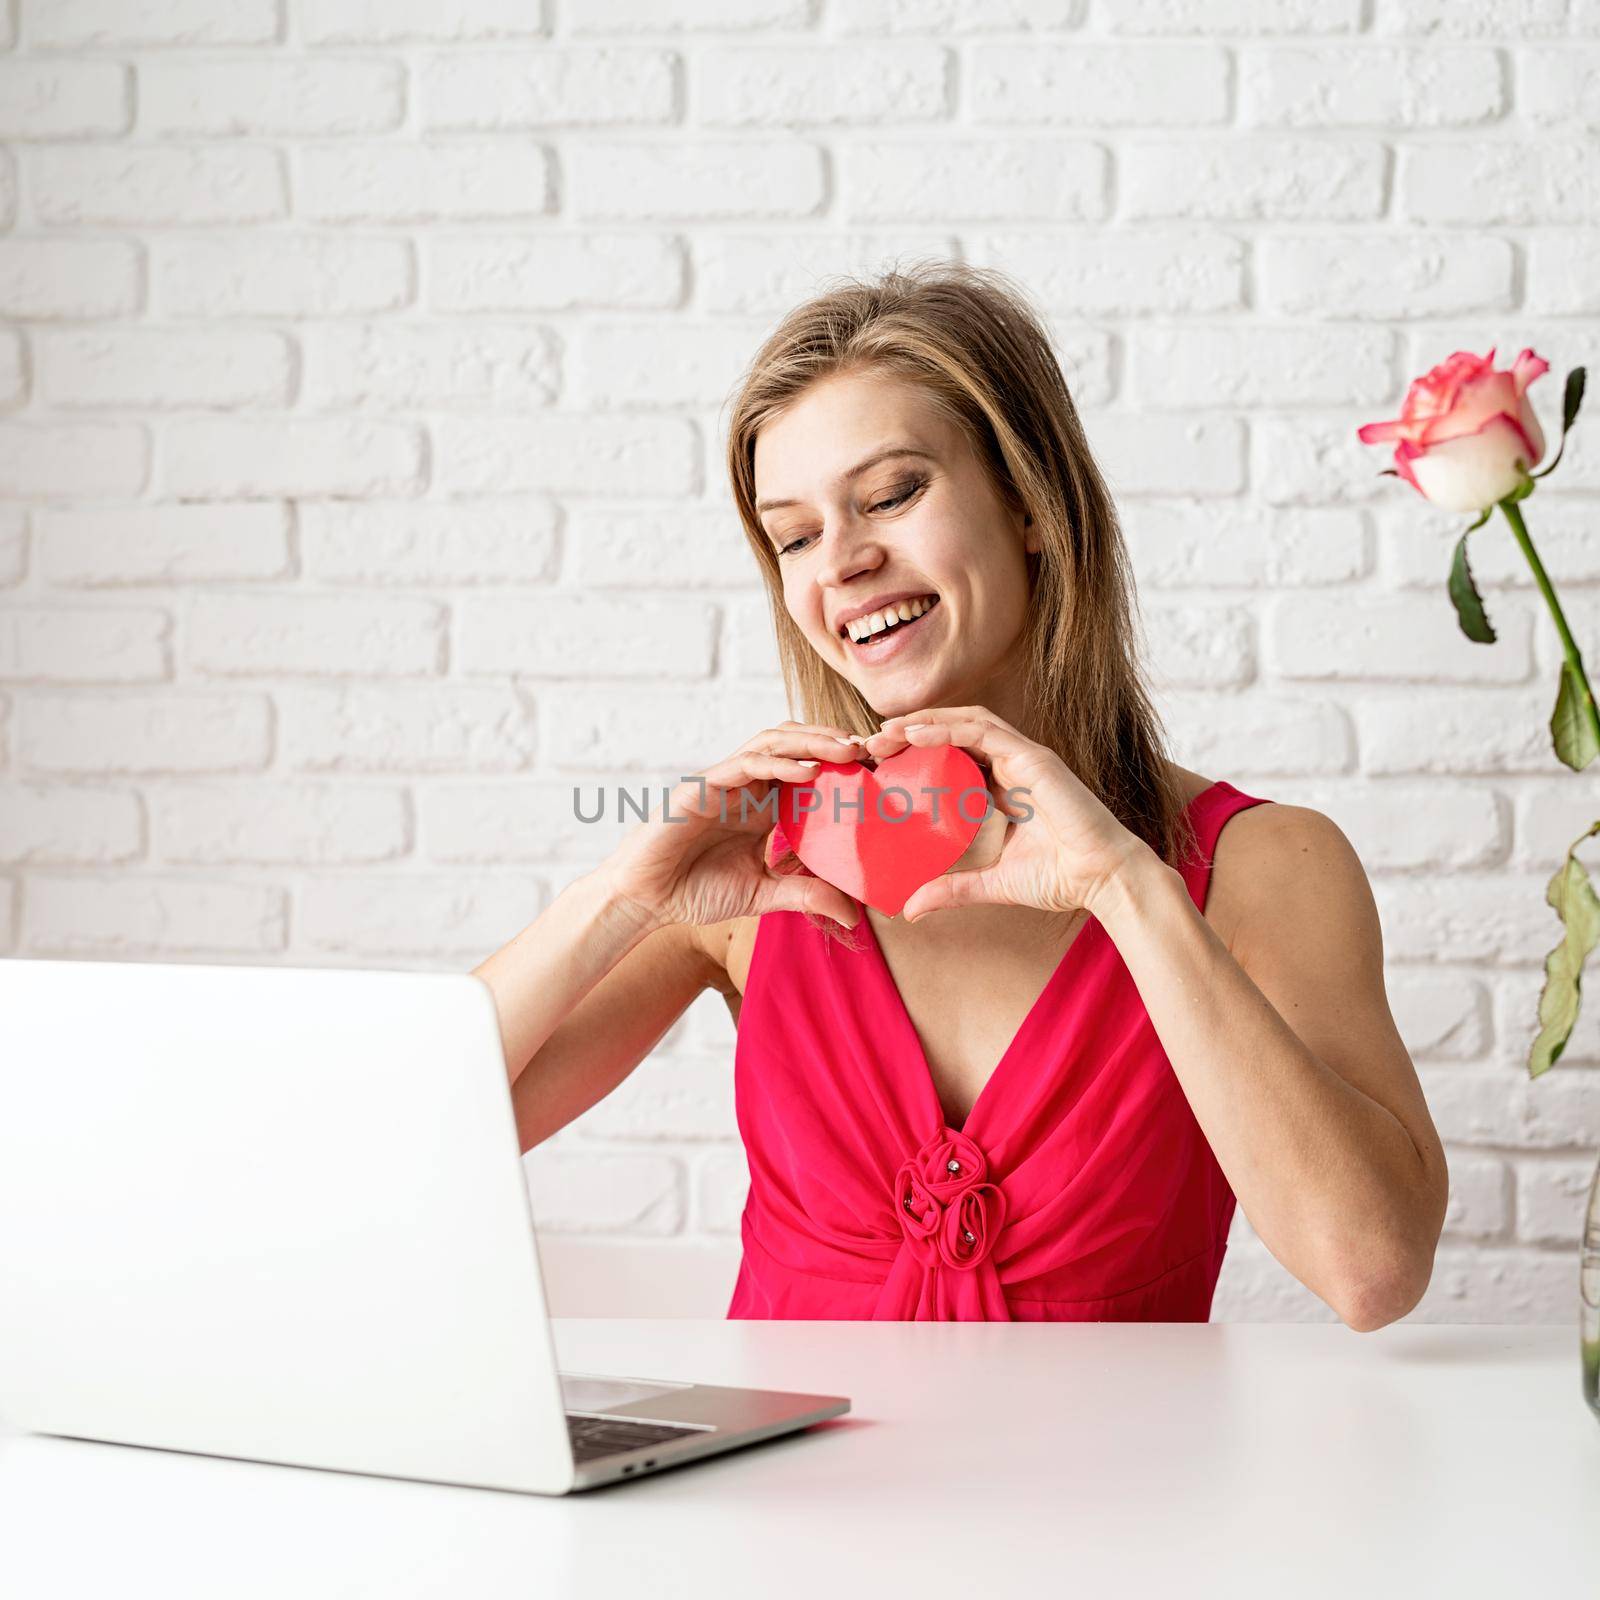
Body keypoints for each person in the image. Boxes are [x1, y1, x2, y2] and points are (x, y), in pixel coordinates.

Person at [473, 261, 1448, 1328]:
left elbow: (1371, 1271)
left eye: (890, 494)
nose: (838, 562)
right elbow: (400, 1134)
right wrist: (624, 900)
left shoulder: (1265, 867)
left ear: (1030, 502)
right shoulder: (758, 870)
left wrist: (1128, 885)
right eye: (793, 535)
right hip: (773, 1496)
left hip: (1127, 1497)